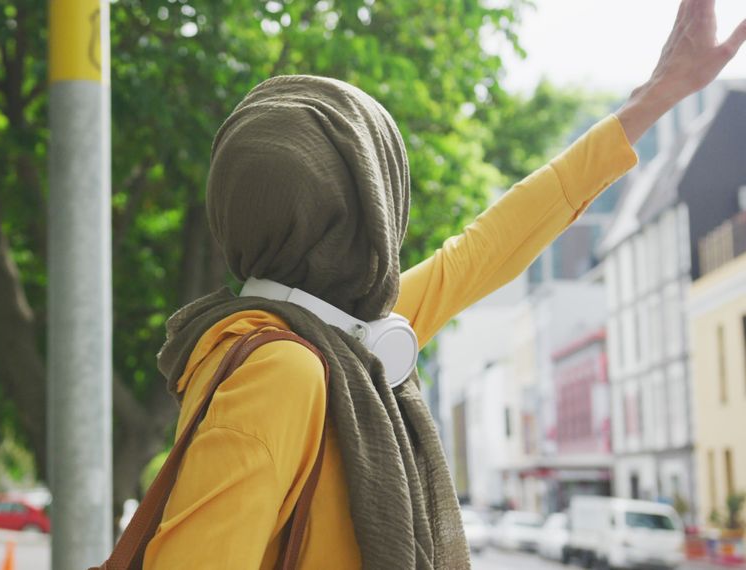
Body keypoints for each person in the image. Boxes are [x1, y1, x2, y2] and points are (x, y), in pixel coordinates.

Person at [146, 1, 746, 569]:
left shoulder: (335, 338)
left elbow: (486, 249)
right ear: (361, 212)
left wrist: (657, 95)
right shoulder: (283, 370)